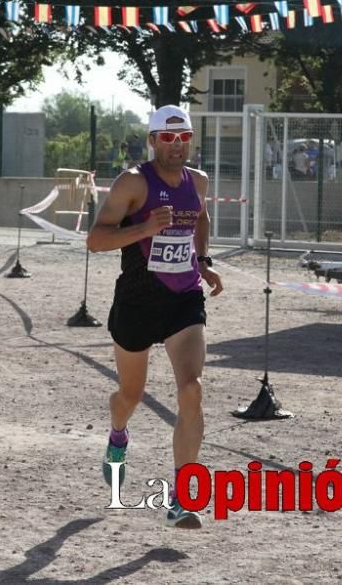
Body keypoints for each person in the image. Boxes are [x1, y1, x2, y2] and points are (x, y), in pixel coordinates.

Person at [87, 104, 223, 530]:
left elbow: (199, 218)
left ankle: (184, 497)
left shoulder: (197, 181)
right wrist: (144, 229)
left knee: (192, 390)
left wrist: (201, 260)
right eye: (167, 138)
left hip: (183, 299)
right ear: (152, 141)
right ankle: (117, 434)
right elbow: (95, 240)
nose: (177, 145)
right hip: (138, 300)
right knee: (130, 395)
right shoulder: (132, 183)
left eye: (184, 137)